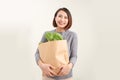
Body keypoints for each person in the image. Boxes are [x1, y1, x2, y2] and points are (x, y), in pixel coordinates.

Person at [35, 7, 78, 80]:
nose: (62, 20)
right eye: (60, 16)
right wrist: (42, 66)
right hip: (48, 76)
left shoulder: (72, 35)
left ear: (69, 20)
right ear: (55, 18)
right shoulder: (47, 34)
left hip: (66, 77)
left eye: (65, 17)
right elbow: (37, 53)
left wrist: (69, 66)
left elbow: (74, 56)